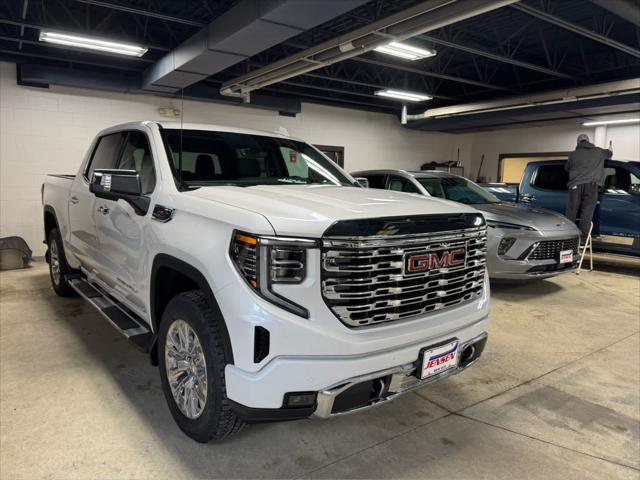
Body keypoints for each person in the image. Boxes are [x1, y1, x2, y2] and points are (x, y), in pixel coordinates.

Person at [565, 133, 612, 242]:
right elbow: (609, 154)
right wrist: (610, 148)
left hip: (575, 186)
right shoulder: (599, 151)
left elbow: (567, 168)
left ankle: (568, 238)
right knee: (587, 212)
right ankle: (582, 239)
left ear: (578, 143)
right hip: (591, 185)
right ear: (588, 141)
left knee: (571, 212)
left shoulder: (573, 154)